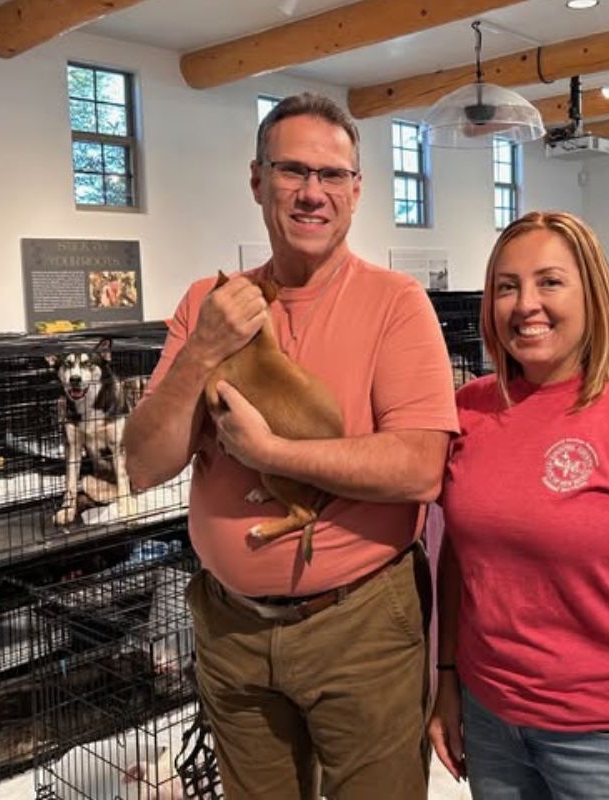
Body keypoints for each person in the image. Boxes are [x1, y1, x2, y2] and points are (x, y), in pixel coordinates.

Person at [124, 93, 458, 800]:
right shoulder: (206, 304)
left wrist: (270, 452)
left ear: (357, 190)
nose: (312, 192)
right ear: (257, 180)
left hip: (361, 622)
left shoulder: (397, 302)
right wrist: (204, 348)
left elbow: (419, 467)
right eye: (292, 171)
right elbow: (143, 463)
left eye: (332, 175)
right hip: (229, 626)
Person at [427, 211, 609, 799]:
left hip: (606, 736)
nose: (525, 304)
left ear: (591, 293)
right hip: (490, 719)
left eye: (549, 282)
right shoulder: (469, 411)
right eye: (506, 287)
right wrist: (447, 680)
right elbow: (459, 561)